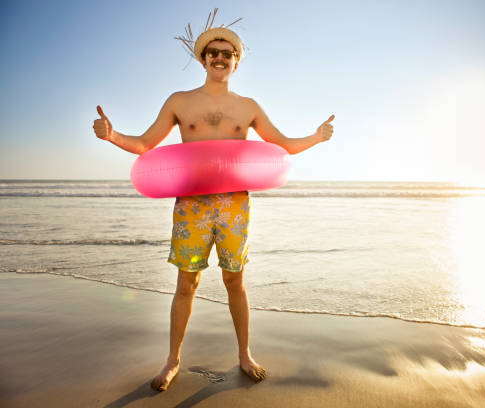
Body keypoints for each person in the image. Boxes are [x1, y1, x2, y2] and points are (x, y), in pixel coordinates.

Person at [92, 14, 334, 391]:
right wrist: (112, 135)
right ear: (203, 59)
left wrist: (316, 137)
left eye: (227, 53)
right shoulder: (180, 102)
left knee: (235, 279)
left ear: (236, 61)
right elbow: (143, 145)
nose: (220, 58)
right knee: (186, 282)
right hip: (192, 204)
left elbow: (283, 146)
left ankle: (244, 354)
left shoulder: (248, 106)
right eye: (213, 53)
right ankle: (172, 361)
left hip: (234, 203)